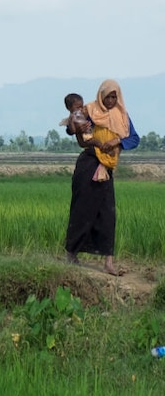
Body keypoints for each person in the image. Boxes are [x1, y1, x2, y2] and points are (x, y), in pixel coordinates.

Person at [65, 79, 139, 276]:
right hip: (89, 164)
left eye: (115, 96)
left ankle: (108, 262)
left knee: (108, 214)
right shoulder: (90, 109)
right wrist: (75, 129)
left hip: (107, 167)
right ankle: (71, 254)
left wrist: (117, 140)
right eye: (108, 96)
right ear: (101, 96)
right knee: (82, 209)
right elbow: (71, 125)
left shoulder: (122, 116)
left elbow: (134, 139)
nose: (111, 100)